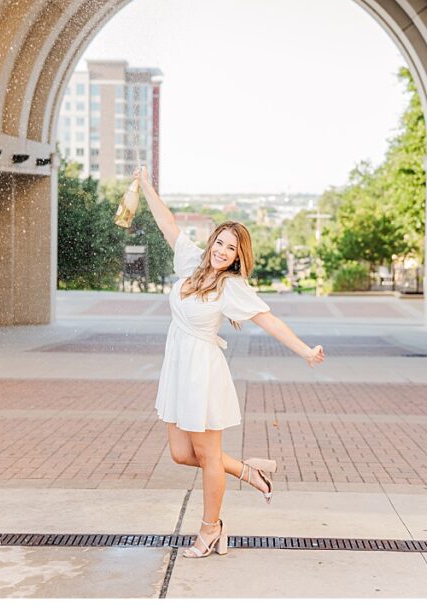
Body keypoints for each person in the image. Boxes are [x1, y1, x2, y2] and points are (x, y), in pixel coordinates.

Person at [135, 166, 325, 558]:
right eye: (220, 243)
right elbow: (167, 222)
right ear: (211, 242)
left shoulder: (232, 287)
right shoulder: (190, 262)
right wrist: (145, 186)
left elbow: (267, 320)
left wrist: (304, 350)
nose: (222, 251)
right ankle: (247, 471)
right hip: (177, 368)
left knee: (206, 458)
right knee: (181, 454)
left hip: (203, 372)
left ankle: (210, 529)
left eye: (231, 249)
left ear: (238, 256)